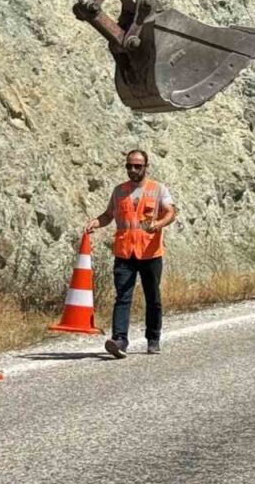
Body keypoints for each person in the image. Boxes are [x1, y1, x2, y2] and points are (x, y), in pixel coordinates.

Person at [84, 149, 177, 357]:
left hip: (150, 253)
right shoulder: (119, 191)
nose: (132, 170)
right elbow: (109, 215)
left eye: (137, 166)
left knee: (153, 297)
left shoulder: (158, 189)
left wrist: (159, 223)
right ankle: (119, 340)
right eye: (129, 166)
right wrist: (95, 223)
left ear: (146, 167)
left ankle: (153, 339)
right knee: (122, 297)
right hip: (125, 253)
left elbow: (171, 212)